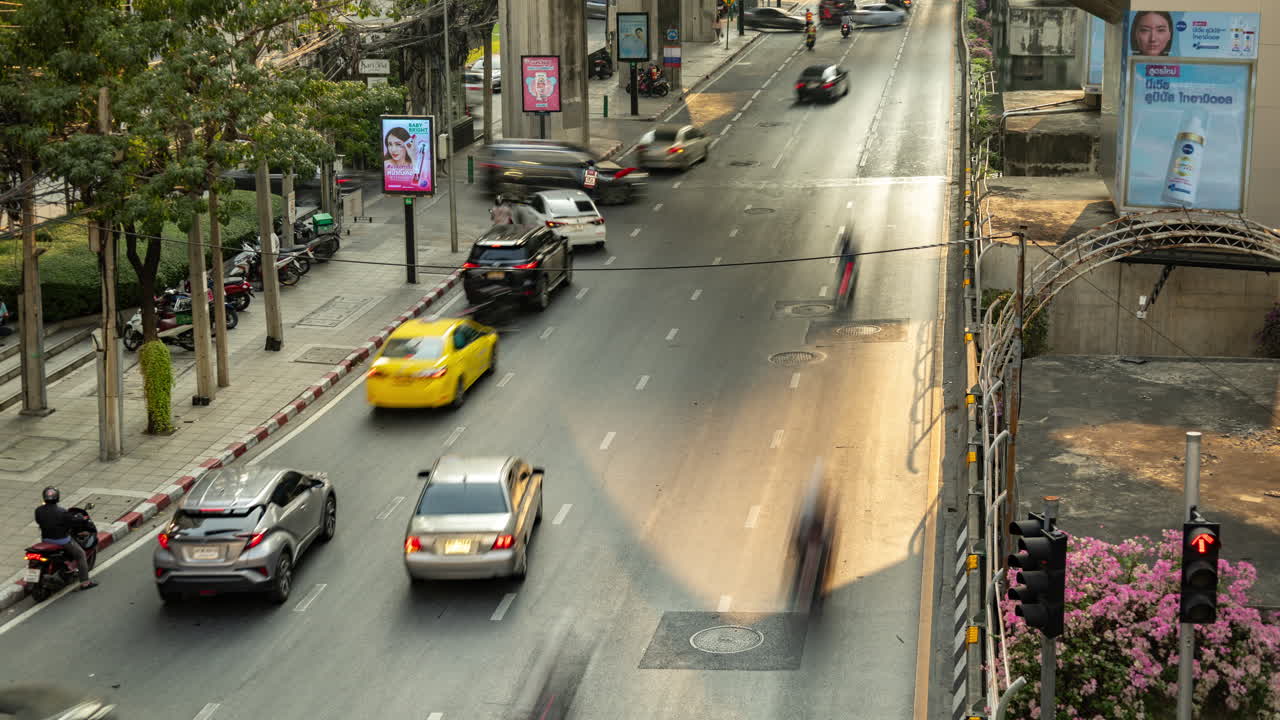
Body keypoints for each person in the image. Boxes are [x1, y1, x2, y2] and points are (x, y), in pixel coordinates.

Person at [34, 487, 96, 591]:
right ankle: (85, 583)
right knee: (81, 554)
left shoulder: (38, 510)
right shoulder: (61, 512)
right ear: (57, 497)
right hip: (62, 541)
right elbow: (72, 521)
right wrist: (80, 518)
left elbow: (39, 521)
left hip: (46, 540)